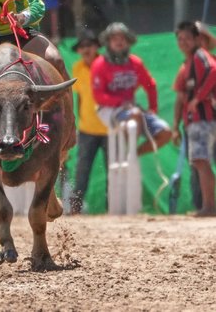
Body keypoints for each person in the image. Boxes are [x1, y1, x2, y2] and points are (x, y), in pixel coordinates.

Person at [91, 22, 171, 156]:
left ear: (128, 42)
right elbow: (98, 96)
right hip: (108, 109)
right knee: (135, 114)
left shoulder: (135, 63)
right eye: (115, 38)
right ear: (108, 42)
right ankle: (126, 153)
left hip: (132, 110)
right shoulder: (99, 64)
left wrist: (153, 108)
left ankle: (134, 154)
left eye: (122, 38)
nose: (119, 42)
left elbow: (150, 85)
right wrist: (120, 102)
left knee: (165, 133)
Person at [172, 21, 216, 217]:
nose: (183, 42)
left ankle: (209, 206)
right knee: (201, 163)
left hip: (203, 119)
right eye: (180, 39)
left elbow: (214, 71)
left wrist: (198, 98)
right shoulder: (188, 62)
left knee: (201, 162)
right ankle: (207, 205)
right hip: (195, 120)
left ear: (197, 39)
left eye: (187, 38)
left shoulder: (199, 56)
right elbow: (180, 96)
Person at [68, 30, 108, 214]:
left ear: (96, 47)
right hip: (87, 128)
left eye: (89, 45)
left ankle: (112, 209)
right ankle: (76, 208)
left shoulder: (107, 64)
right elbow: (81, 99)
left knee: (113, 171)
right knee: (82, 170)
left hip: (110, 128)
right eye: (83, 46)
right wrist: (77, 121)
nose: (86, 49)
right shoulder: (77, 68)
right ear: (79, 50)